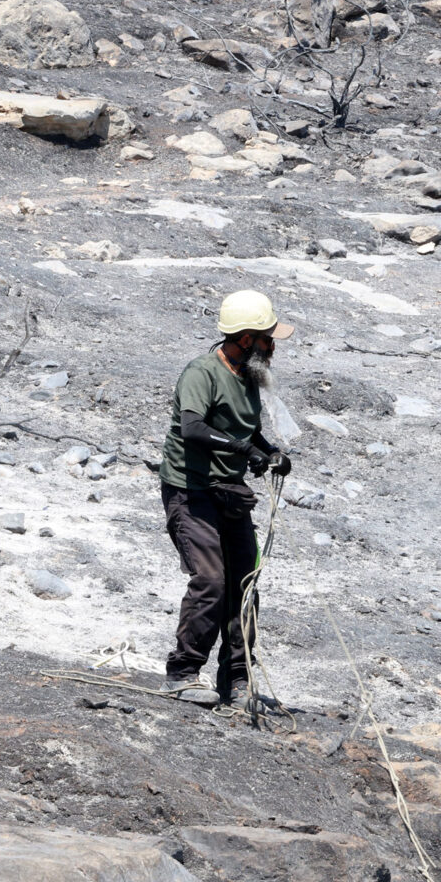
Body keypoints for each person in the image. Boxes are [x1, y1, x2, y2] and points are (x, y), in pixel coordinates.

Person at [158, 289, 294, 707]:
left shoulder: (248, 375)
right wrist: (243, 451)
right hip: (191, 490)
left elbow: (244, 431)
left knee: (245, 584)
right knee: (211, 581)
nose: (274, 346)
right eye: (269, 338)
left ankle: (237, 679)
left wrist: (269, 451)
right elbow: (194, 429)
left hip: (229, 493)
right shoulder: (201, 372)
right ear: (248, 339)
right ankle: (182, 673)